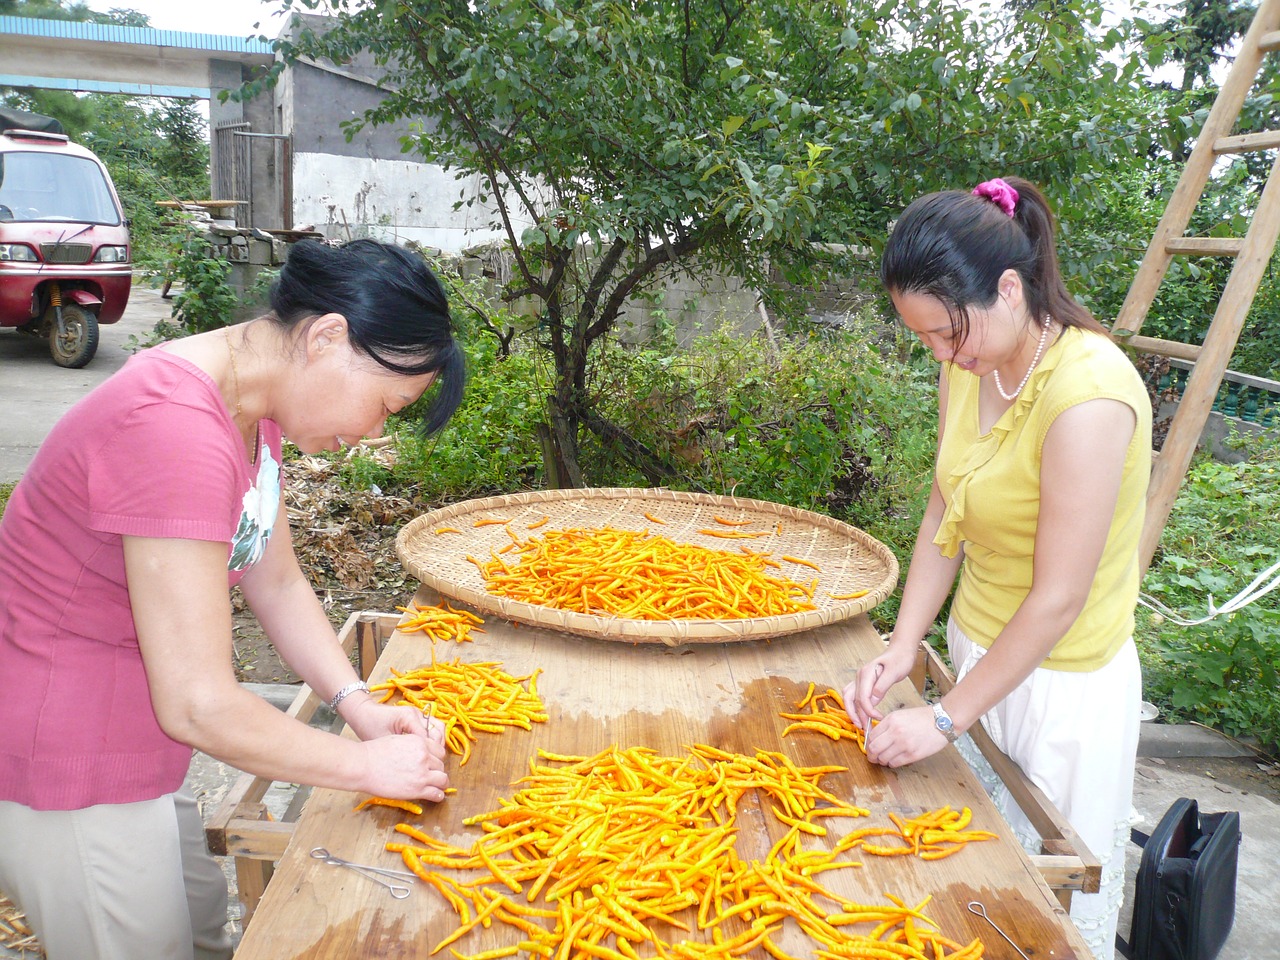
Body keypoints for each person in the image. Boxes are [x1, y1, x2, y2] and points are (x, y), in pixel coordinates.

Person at [0, 238, 466, 960]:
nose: (373, 431)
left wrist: (357, 703)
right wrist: (365, 769)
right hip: (70, 755)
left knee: (202, 930)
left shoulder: (252, 405)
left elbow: (272, 577)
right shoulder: (174, 427)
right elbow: (198, 702)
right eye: (386, 403)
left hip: (145, 733)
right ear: (326, 337)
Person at [844, 177, 1151, 957]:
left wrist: (947, 719)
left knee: (1039, 912)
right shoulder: (969, 365)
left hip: (1063, 687)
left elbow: (1058, 598)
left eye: (949, 334)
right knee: (968, 885)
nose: (943, 354)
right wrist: (905, 644)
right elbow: (944, 510)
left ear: (1009, 289)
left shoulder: (1090, 395)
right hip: (978, 652)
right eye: (926, 340)